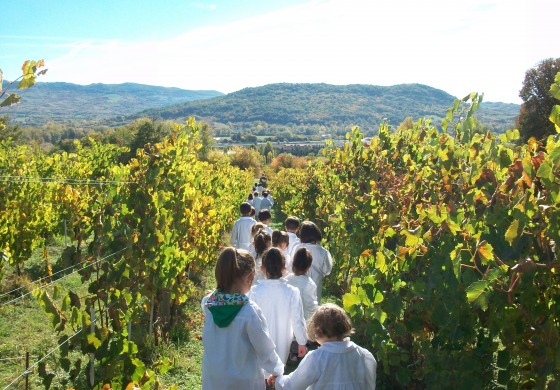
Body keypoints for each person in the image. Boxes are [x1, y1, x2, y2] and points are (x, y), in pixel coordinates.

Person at [201, 247, 284, 389]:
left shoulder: (208, 303)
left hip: (213, 380)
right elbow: (265, 348)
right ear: (249, 278)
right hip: (244, 383)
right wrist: (277, 370)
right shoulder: (249, 312)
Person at [272, 303, 377, 389]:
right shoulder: (364, 355)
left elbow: (294, 384)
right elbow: (369, 385)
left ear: (317, 331)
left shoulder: (317, 358)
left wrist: (278, 380)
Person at [248, 248, 308, 366]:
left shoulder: (254, 292)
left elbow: (249, 319)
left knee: (260, 369)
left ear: (262, 268)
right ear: (284, 268)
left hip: (259, 342)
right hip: (282, 340)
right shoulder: (292, 292)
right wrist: (302, 341)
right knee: (278, 368)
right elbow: (297, 320)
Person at [291, 221, 332, 302]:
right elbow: (327, 270)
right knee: (313, 307)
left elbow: (291, 264)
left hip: (297, 283)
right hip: (316, 284)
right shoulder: (323, 252)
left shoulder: (297, 248)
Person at [285, 247, 318, 321]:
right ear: (309, 266)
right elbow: (311, 307)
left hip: (286, 321)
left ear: (293, 263)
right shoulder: (310, 284)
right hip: (302, 322)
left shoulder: (286, 280)